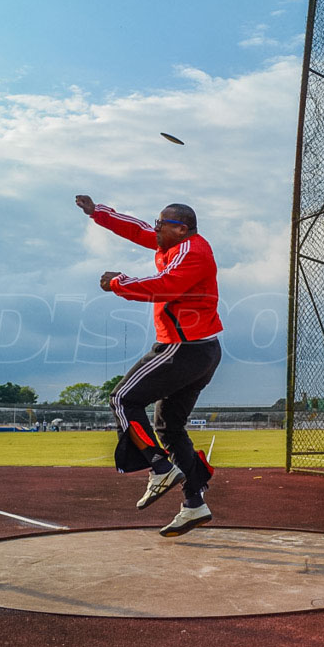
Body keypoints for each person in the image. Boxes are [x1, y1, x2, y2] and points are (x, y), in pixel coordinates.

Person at [76, 194, 222, 537]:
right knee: (170, 428)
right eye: (157, 222)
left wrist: (117, 283)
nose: (154, 228)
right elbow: (138, 230)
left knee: (122, 399)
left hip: (182, 348)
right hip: (201, 350)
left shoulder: (192, 253)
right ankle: (194, 504)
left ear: (181, 228)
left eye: (162, 223)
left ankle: (159, 467)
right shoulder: (171, 244)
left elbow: (164, 286)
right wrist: (99, 213)